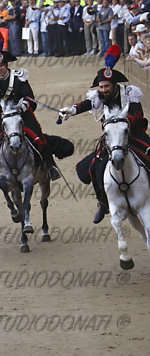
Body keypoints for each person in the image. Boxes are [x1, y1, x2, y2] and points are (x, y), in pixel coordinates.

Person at [60, 45, 149, 224]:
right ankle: (103, 202)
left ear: (115, 85)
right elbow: (85, 104)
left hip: (133, 135)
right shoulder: (99, 96)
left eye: (106, 86)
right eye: (100, 87)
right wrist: (70, 110)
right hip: (111, 139)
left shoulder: (129, 93)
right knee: (94, 167)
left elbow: (138, 114)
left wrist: (124, 122)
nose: (103, 90)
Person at [0, 29, 62, 187]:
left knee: (39, 139)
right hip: (4, 117)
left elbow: (29, 97)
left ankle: (50, 167)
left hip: (23, 114)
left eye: (1, 65)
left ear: (6, 65)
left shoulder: (18, 77)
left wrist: (22, 106)